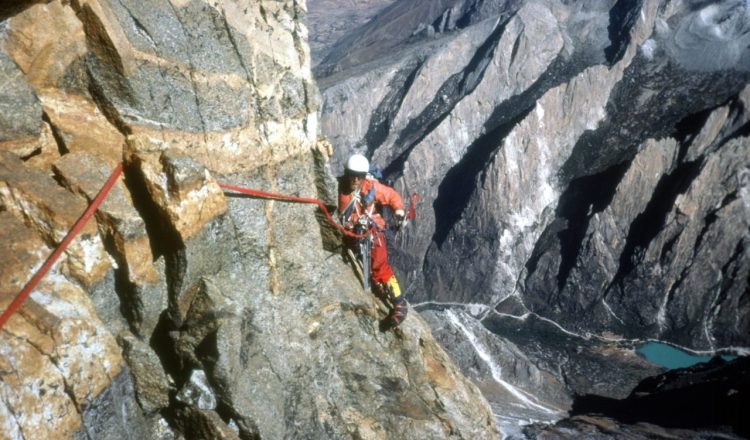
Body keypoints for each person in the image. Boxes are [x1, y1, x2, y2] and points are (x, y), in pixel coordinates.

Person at [338, 153, 408, 329]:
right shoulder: (339, 187)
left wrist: (398, 210)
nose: (355, 179)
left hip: (370, 231)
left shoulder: (371, 187)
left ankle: (399, 303)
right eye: (352, 175)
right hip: (350, 232)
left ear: (363, 177)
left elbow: (391, 195)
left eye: (359, 176)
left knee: (379, 265)